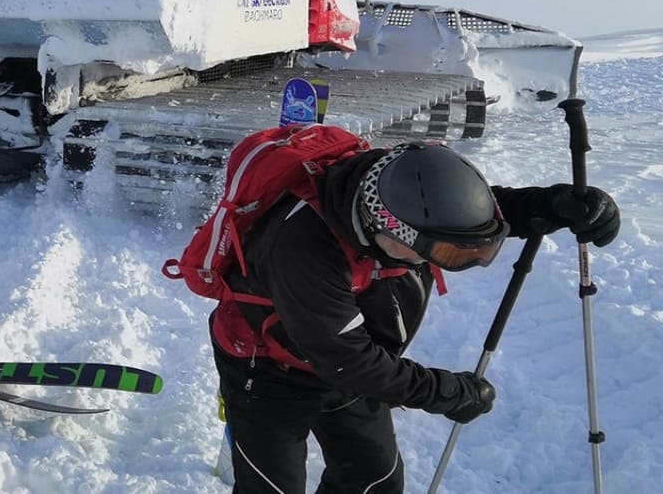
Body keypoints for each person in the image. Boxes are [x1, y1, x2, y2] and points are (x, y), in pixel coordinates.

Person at [211, 140, 620, 493]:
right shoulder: (303, 247)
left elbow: (458, 218)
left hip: (352, 365)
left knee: (374, 483)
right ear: (383, 229)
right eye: (435, 252)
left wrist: (550, 204)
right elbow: (348, 359)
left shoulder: (397, 200)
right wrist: (443, 391)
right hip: (268, 370)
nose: (430, 261)